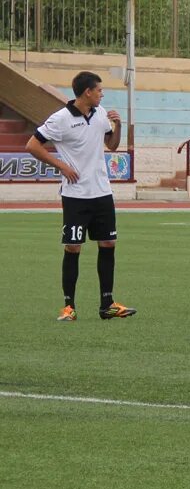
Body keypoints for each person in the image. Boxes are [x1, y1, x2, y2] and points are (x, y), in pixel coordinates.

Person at [25, 71, 137, 321]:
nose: (102, 93)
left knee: (108, 244)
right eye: (99, 90)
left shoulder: (100, 114)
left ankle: (107, 305)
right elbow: (32, 145)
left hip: (102, 192)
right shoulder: (60, 119)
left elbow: (112, 145)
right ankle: (69, 307)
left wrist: (117, 126)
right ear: (87, 92)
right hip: (76, 195)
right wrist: (61, 166)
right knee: (73, 247)